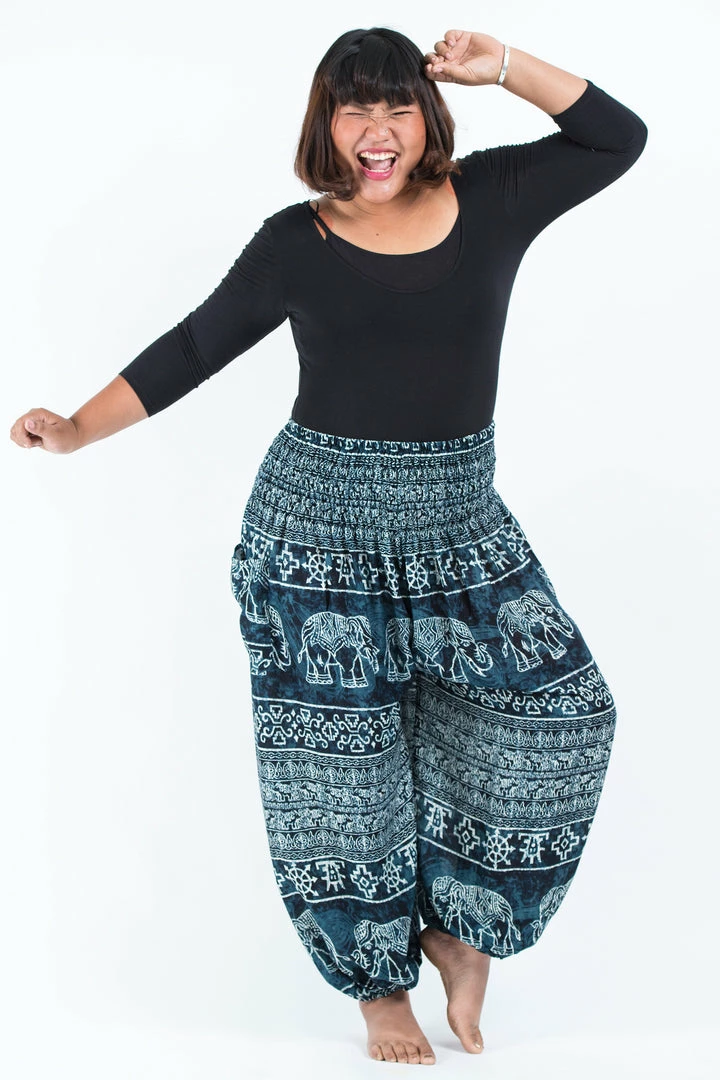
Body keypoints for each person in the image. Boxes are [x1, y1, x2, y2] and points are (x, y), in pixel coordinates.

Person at [10, 26, 647, 1067]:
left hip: (458, 526)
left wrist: (504, 67)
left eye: (397, 106)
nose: (377, 130)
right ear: (327, 123)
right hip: (315, 532)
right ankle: (379, 987)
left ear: (427, 117)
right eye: (356, 109)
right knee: (343, 776)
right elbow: (193, 346)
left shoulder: (494, 197)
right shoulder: (294, 243)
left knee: (565, 712)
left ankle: (459, 931)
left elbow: (616, 139)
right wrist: (78, 428)